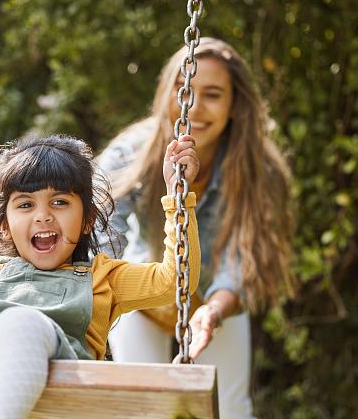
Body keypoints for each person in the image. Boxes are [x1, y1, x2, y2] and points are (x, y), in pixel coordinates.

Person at [0, 134, 201, 419]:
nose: (43, 216)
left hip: (61, 382)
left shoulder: (104, 277)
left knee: (20, 323)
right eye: (25, 205)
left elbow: (174, 281)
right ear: (4, 225)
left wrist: (178, 197)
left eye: (59, 202)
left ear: (86, 221)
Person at [98, 38, 296, 419]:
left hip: (215, 302)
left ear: (234, 105)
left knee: (230, 409)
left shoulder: (258, 169)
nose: (195, 107)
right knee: (141, 407)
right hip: (145, 292)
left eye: (213, 94)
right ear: (166, 93)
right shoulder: (132, 152)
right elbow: (104, 231)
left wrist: (213, 312)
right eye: (185, 90)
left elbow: (243, 259)